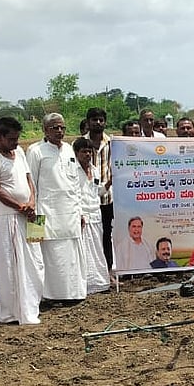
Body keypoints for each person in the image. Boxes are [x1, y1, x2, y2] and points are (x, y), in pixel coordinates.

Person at [0, 117, 44, 325]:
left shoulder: (19, 152)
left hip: (30, 213)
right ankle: (12, 311)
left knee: (34, 260)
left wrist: (31, 201)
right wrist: (20, 207)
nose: (15, 143)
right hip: (8, 216)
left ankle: (32, 306)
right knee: (10, 264)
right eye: (11, 139)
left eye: (17, 138)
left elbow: (29, 180)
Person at [28, 113, 88, 303]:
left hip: (70, 212)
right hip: (47, 213)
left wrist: (80, 211)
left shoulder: (69, 150)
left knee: (71, 255)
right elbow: (31, 185)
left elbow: (75, 183)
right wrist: (34, 219)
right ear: (45, 130)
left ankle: (74, 294)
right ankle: (50, 296)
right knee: (50, 255)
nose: (60, 131)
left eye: (62, 127)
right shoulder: (35, 150)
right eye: (55, 128)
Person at [72, 137, 112, 293]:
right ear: (76, 153)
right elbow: (73, 194)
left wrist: (109, 182)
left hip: (96, 215)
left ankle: (99, 283)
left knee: (97, 249)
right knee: (83, 252)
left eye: (89, 151)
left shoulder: (94, 169)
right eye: (84, 151)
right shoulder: (73, 171)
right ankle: (85, 285)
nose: (87, 155)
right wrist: (79, 213)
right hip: (81, 216)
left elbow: (99, 192)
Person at [84, 108, 115, 269]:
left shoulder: (112, 143)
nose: (98, 122)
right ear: (88, 122)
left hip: (107, 198)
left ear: (105, 122)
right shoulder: (80, 143)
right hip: (87, 200)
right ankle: (92, 271)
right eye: (94, 119)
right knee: (90, 237)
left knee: (106, 236)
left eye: (101, 119)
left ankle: (108, 270)